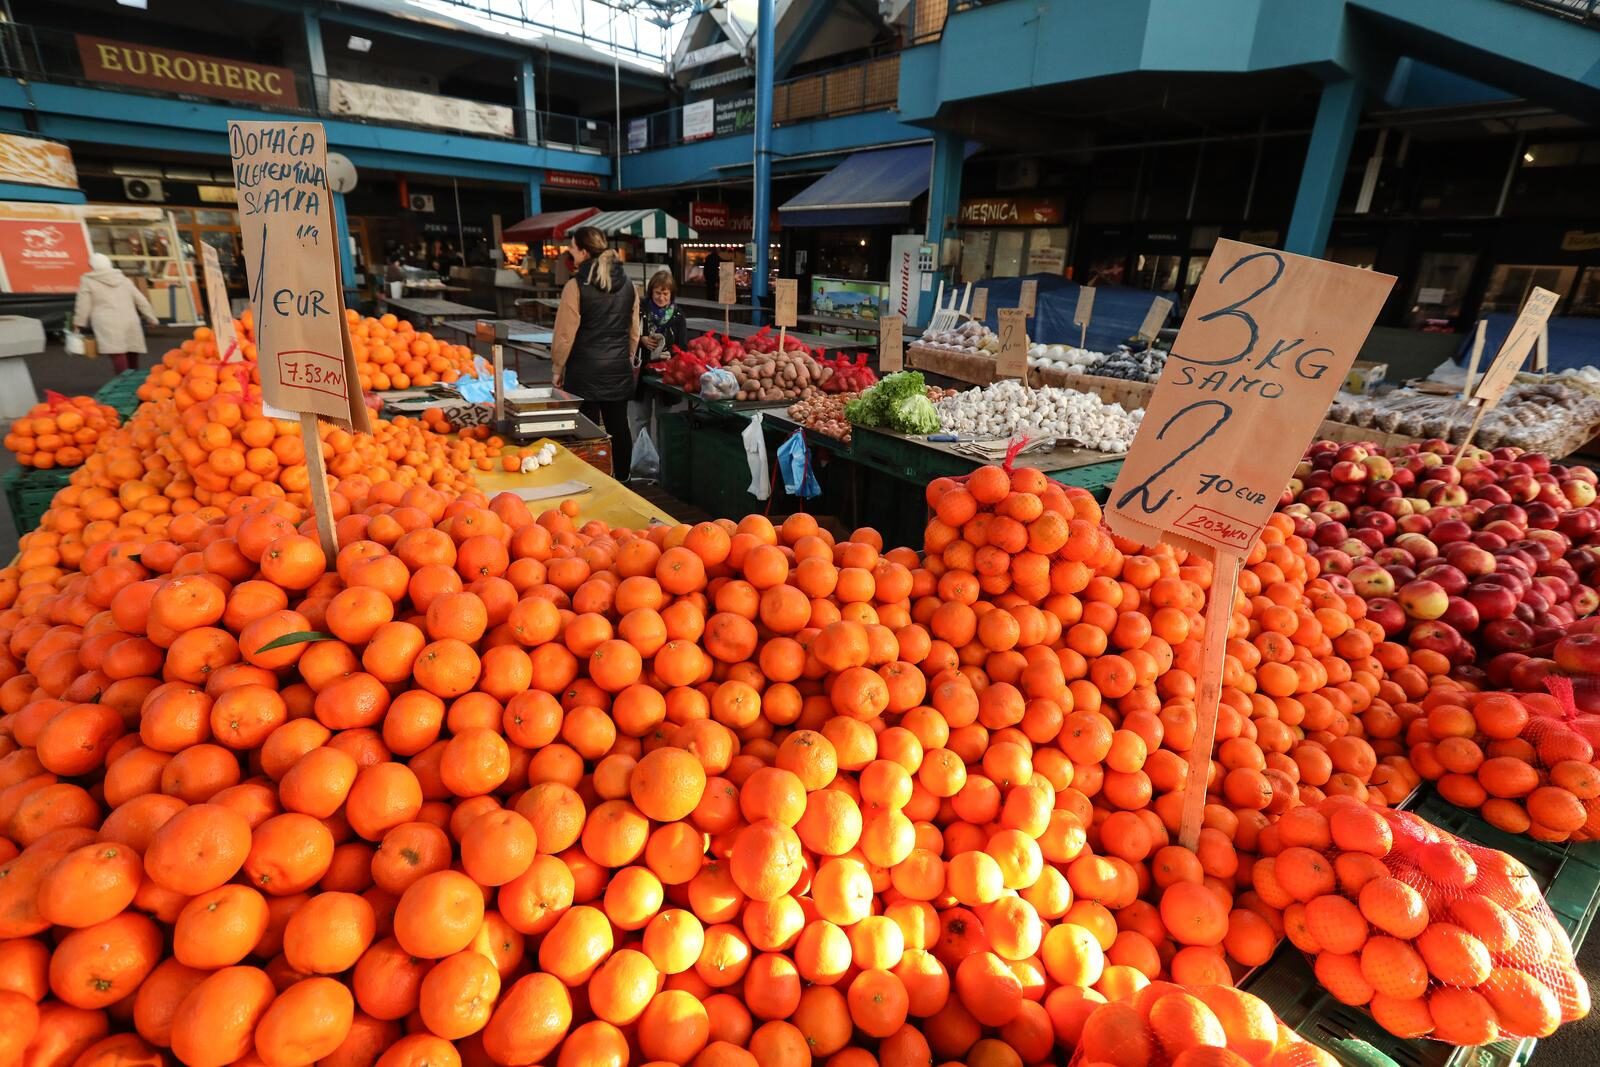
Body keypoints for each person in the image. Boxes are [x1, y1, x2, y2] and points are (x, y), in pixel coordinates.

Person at [552, 226, 641, 480]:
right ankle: (623, 479)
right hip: (617, 369)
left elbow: (564, 335)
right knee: (619, 427)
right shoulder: (629, 285)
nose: (569, 251)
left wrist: (557, 368)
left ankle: (591, 482)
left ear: (583, 251)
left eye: (572, 246)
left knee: (586, 431)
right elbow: (634, 330)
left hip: (584, 371)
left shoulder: (576, 286)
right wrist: (628, 358)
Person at [73, 253, 158, 373]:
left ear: (92, 266)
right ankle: (135, 380)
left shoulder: (88, 281)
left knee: (117, 353)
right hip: (130, 319)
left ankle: (122, 381)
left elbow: (83, 305)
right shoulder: (124, 279)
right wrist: (151, 318)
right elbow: (140, 300)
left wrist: (78, 322)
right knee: (132, 349)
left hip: (106, 322)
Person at [639, 269, 687, 365]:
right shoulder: (640, 309)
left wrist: (671, 353)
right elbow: (627, 335)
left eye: (665, 294)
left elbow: (682, 346)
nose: (661, 298)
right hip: (642, 365)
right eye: (657, 293)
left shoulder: (678, 315)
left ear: (671, 294)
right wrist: (641, 339)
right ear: (651, 292)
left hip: (668, 367)